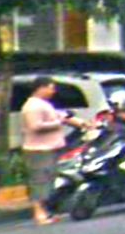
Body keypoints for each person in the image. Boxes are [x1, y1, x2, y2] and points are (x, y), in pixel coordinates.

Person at [21, 76, 91, 225]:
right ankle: (39, 214)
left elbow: (63, 116)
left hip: (50, 148)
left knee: (49, 180)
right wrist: (58, 123)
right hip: (39, 150)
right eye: (51, 88)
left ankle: (47, 212)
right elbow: (35, 126)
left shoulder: (44, 104)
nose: (53, 91)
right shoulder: (33, 106)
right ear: (41, 88)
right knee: (39, 180)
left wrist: (82, 123)